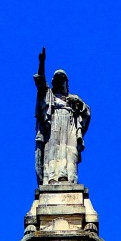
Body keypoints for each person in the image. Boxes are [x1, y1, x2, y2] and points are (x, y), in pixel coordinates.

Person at [34, 47, 91, 185]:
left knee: (70, 152)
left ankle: (69, 179)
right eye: (58, 79)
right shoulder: (49, 95)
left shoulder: (73, 98)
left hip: (70, 124)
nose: (60, 82)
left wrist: (78, 104)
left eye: (62, 79)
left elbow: (87, 113)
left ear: (66, 82)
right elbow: (40, 82)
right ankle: (51, 179)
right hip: (53, 124)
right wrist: (42, 62)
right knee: (53, 150)